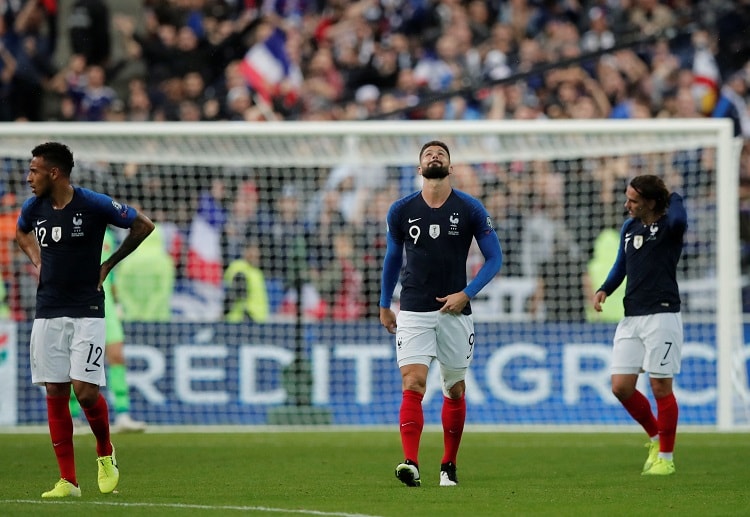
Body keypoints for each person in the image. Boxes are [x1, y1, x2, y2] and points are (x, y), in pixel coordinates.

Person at [15, 142, 155, 498]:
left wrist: (108, 265)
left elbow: (143, 225)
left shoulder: (92, 204)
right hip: (47, 310)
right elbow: (21, 232)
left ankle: (105, 452)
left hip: (87, 309)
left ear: (54, 173)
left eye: (34, 171)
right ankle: (68, 481)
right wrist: (38, 260)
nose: (29, 177)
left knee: (85, 391)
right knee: (56, 391)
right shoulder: (35, 207)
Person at [379, 141, 503, 487]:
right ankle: (410, 463)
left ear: (450, 168)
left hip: (455, 312)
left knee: (455, 388)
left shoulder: (470, 208)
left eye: (441, 155)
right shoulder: (401, 210)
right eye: (428, 155)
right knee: (413, 382)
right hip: (414, 309)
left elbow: (495, 258)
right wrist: (384, 302)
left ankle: (448, 465)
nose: (435, 156)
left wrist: (466, 293)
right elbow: (392, 258)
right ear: (419, 169)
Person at [592, 174, 687, 476]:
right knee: (621, 387)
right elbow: (622, 264)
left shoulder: (671, 227)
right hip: (631, 316)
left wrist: (673, 196)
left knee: (660, 386)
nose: (626, 204)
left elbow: (681, 216)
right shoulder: (629, 227)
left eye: (633, 200)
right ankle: (657, 438)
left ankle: (667, 459)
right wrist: (605, 287)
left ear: (651, 202)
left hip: (662, 315)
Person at [70, 226, 151, 433]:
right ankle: (73, 416)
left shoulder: (109, 236)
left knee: (116, 355)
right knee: (75, 359)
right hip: (78, 301)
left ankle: (123, 414)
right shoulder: (75, 229)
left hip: (106, 302)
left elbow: (110, 271)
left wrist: (116, 302)